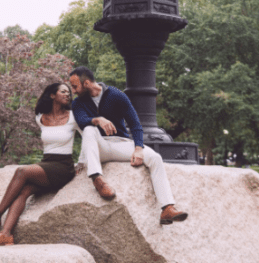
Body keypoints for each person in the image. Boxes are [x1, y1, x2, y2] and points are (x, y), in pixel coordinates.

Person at [69, 66, 188, 225]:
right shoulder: (77, 103)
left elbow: (135, 124)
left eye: (75, 86)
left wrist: (138, 149)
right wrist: (98, 120)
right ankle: (98, 180)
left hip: (121, 144)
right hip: (99, 147)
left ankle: (167, 208)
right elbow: (83, 122)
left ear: (87, 83)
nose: (73, 90)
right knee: (90, 129)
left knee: (155, 157)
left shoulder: (116, 95)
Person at [0, 82, 84, 246]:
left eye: (69, 92)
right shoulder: (40, 118)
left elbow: (88, 135)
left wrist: (82, 161)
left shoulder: (73, 116)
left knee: (21, 171)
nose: (68, 94)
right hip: (47, 164)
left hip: (63, 167)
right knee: (24, 191)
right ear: (52, 95)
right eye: (63, 91)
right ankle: (6, 234)